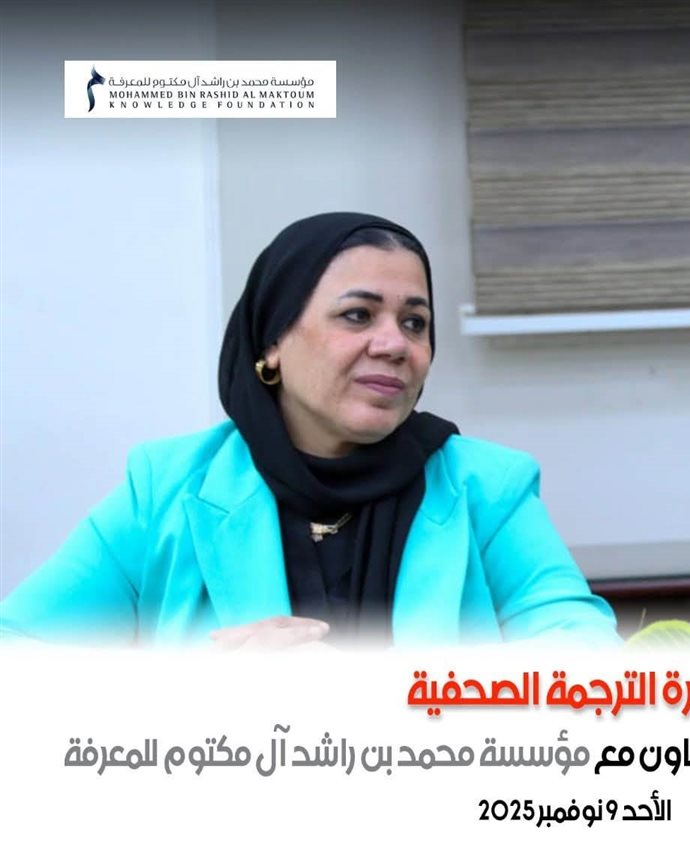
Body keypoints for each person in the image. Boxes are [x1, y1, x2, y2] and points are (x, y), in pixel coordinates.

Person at [0, 212, 620, 648]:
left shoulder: (487, 487)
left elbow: (582, 654)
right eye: (358, 315)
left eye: (415, 323)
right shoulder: (165, 488)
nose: (395, 344)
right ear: (272, 342)